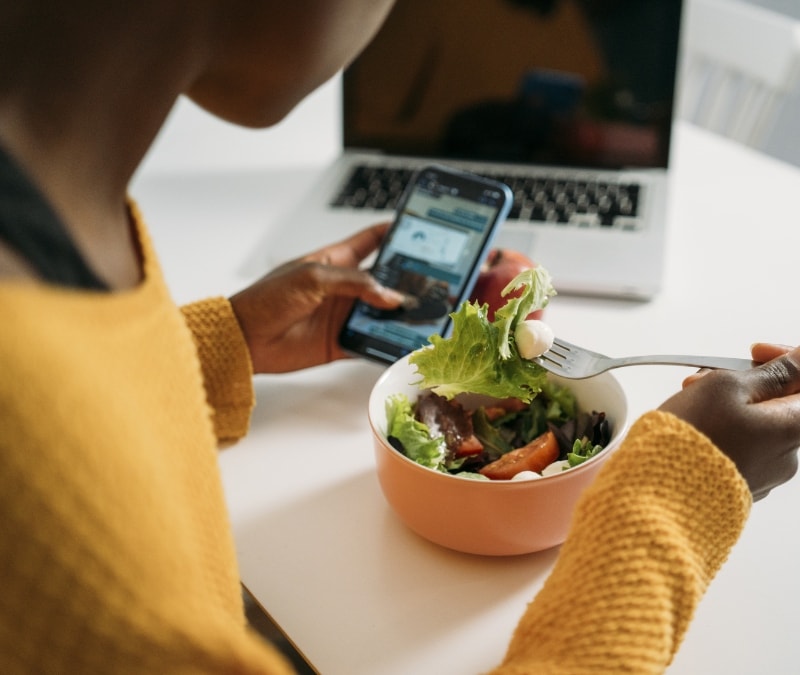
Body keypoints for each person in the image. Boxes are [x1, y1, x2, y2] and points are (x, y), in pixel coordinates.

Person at [0, 2, 799, 673]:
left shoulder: (53, 245)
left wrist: (218, 347)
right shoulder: (37, 453)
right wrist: (672, 501)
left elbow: (86, 393)